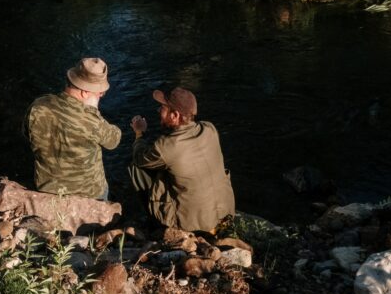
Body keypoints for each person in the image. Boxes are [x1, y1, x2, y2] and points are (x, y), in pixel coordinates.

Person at [129, 87, 235, 233]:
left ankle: (156, 225)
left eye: (163, 108)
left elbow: (139, 157)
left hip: (194, 224)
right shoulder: (210, 128)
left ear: (175, 115)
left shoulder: (166, 146)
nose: (159, 111)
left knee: (136, 167)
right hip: (226, 213)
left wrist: (139, 133)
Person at [25, 57, 121, 200]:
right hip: (89, 194)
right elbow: (114, 140)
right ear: (85, 92)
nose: (102, 95)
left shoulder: (38, 105)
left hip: (47, 189)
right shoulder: (92, 120)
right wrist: (94, 112)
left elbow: (26, 134)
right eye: (100, 92)